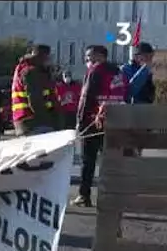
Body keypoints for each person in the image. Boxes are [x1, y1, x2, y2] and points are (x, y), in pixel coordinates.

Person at [72, 45, 128, 207]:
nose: (87, 60)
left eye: (90, 56)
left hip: (93, 121)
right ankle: (111, 197)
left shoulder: (96, 71)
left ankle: (84, 195)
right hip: (114, 121)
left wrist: (80, 122)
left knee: (88, 161)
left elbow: (87, 97)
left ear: (100, 56)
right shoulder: (117, 72)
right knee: (110, 161)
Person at [11, 44, 59, 136]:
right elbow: (35, 100)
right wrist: (49, 120)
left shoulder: (23, 68)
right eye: (48, 57)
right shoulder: (32, 72)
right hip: (36, 123)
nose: (49, 61)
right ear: (41, 57)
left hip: (26, 121)